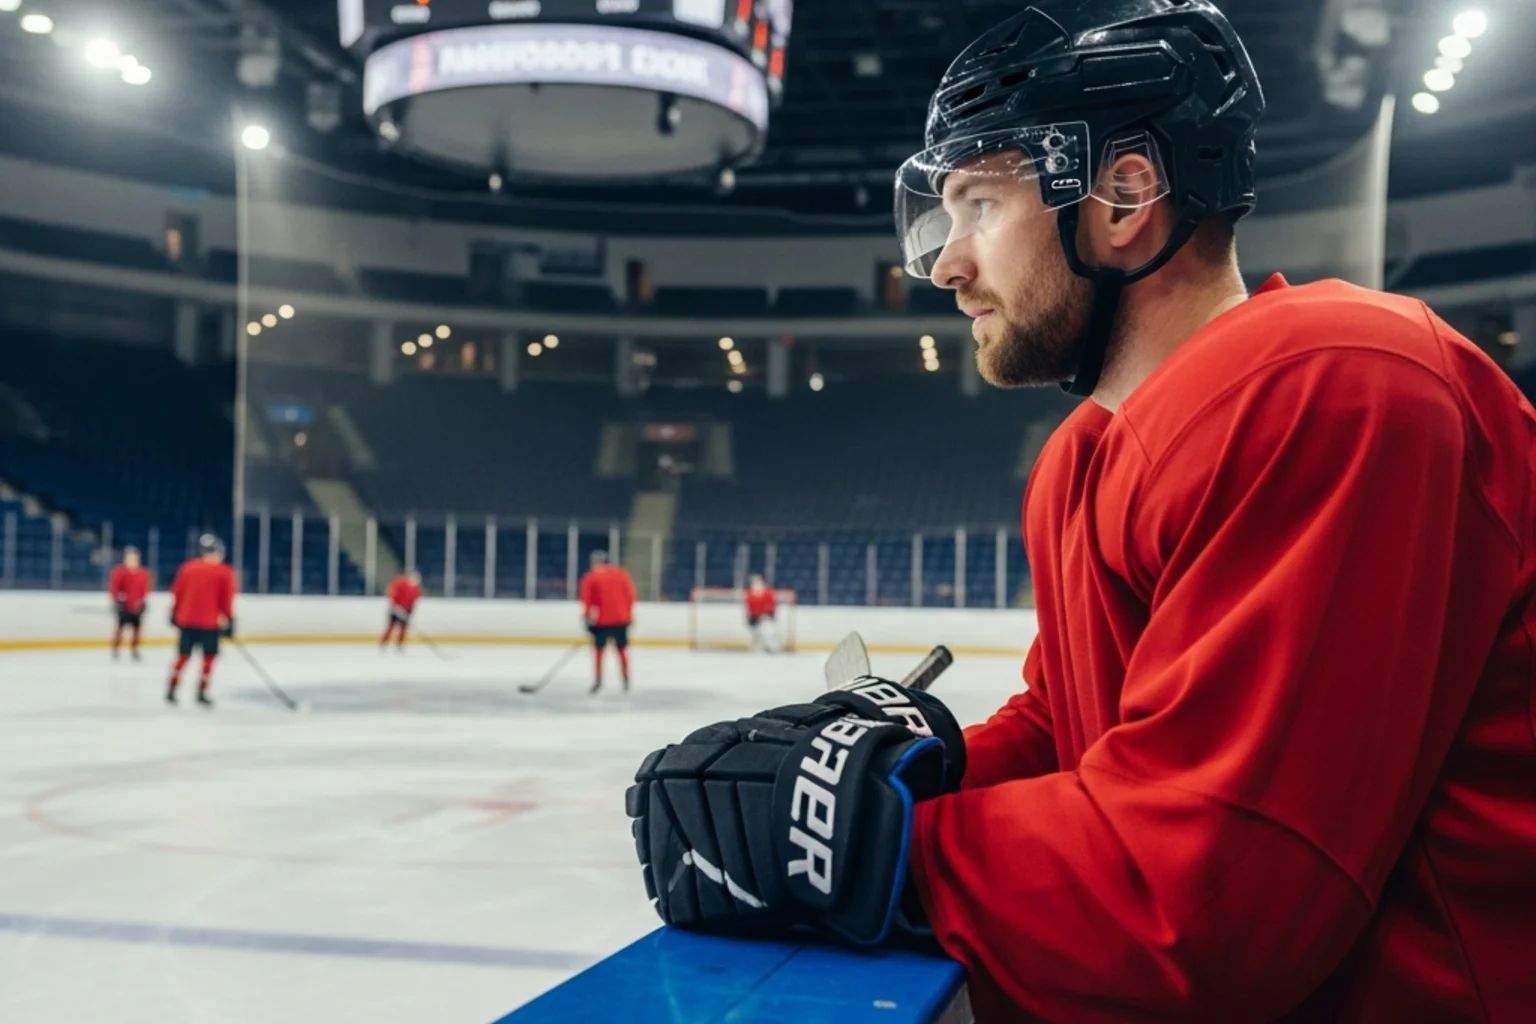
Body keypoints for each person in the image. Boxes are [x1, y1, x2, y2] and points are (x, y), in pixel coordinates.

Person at [625, 3, 1536, 1021]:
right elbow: (1074, 729)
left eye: (979, 205)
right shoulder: (1082, 457)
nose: (946, 263)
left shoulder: (1340, 383)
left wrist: (874, 846)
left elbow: (1214, 900)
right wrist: (917, 771)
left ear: (1124, 196)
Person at [167, 533, 237, 708]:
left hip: (187, 620)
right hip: (210, 623)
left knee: (183, 656)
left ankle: (172, 688)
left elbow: (177, 592)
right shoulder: (224, 571)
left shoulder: (188, 568)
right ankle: (202, 691)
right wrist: (229, 620)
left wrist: (174, 612)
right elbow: (226, 599)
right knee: (209, 658)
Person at [578, 551, 635, 694]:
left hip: (602, 620)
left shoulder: (591, 577)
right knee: (621, 650)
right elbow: (630, 596)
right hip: (621, 618)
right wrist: (629, 616)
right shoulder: (621, 574)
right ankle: (626, 680)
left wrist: (586, 618)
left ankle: (598, 681)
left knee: (599, 651)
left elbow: (587, 599)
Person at [107, 546, 151, 661]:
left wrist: (143, 601)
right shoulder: (119, 572)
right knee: (120, 627)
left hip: (137, 605)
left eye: (134, 558)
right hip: (124, 605)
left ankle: (135, 649)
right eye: (130, 558)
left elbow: (145, 589)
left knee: (137, 629)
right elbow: (114, 587)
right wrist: (117, 600)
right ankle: (116, 648)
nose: (132, 560)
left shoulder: (143, 573)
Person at [381, 569, 423, 652]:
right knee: (391, 626)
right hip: (395, 609)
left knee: (403, 628)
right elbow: (393, 594)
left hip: (406, 611)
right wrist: (395, 606)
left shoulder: (416, 590)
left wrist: (409, 611)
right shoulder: (400, 583)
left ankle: (399, 645)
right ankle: (384, 643)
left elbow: (413, 602)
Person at [743, 575, 780, 653]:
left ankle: (772, 647)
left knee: (769, 630)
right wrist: (757, 616)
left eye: (758, 583)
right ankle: (759, 646)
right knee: (757, 633)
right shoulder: (749, 595)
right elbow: (750, 610)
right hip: (755, 619)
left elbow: (772, 607)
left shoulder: (769, 593)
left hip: (767, 618)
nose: (757, 585)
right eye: (754, 584)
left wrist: (765, 614)